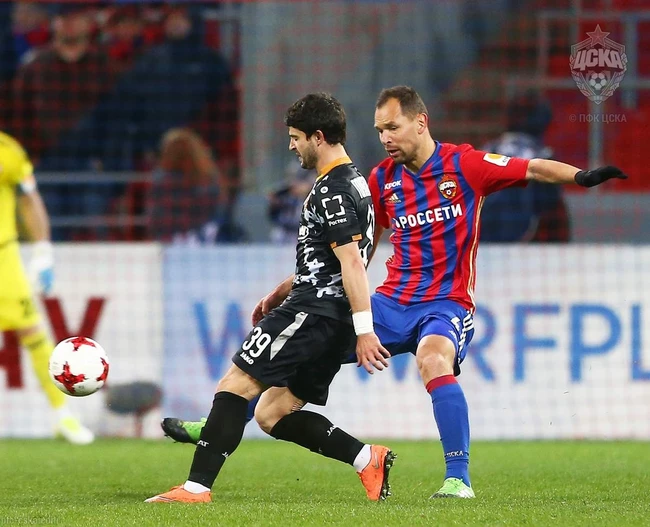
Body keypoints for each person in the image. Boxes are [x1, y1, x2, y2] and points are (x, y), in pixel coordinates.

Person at [161, 86, 627, 499]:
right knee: (298, 359)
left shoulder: (465, 165)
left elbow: (534, 168)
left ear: (420, 122)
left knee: (433, 360)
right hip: (389, 303)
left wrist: (581, 177)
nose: (385, 138)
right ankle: (223, 422)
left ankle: (458, 479)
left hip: (445, 304)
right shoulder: (383, 180)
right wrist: (290, 287)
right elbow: (356, 250)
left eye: (393, 127)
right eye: (379, 130)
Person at [146, 93, 395, 504]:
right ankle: (367, 458)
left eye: (296, 137)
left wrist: (364, 330)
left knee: (236, 384)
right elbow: (336, 257)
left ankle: (195, 488)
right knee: (271, 413)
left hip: (312, 313)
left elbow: (353, 262)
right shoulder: (356, 183)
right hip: (326, 317)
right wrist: (283, 289)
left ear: (318, 137)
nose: (292, 146)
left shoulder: (332, 189)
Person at [0, 130, 94, 444]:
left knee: (33, 333)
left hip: (3, 258)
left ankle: (62, 416)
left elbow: (29, 199)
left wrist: (42, 251)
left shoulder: (8, 150)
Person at [480, 90, 570, 242]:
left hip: (479, 244)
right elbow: (554, 214)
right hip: (523, 247)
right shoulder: (544, 156)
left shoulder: (484, 151)